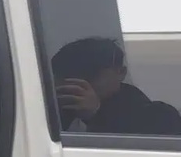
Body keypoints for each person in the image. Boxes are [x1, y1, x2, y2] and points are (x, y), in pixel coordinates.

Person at [52, 37, 181, 135]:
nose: (80, 82)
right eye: (68, 74)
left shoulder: (159, 117)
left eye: (90, 73)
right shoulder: (50, 114)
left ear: (121, 73)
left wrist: (95, 115)